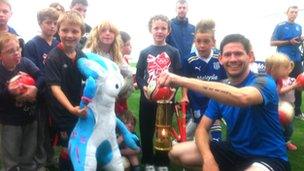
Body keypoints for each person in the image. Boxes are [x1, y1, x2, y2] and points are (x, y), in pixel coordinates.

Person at [158, 34, 290, 171]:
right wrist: (208, 159)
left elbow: (242, 97)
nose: (232, 59)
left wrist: (181, 80)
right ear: (220, 59)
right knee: (176, 152)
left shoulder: (264, 82)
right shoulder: (219, 91)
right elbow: (202, 129)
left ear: (250, 56)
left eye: (238, 54)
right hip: (234, 152)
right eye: (227, 55)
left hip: (268, 156)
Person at [135, 14, 181, 171]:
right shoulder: (144, 52)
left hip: (167, 100)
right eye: (156, 28)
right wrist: (144, 88)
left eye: (163, 28)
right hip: (147, 99)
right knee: (147, 130)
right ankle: (148, 159)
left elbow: (178, 76)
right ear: (150, 30)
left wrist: (173, 90)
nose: (159, 31)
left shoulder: (173, 52)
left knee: (164, 131)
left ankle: (162, 161)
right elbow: (139, 75)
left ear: (168, 31)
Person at [44, 10, 86, 171]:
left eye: (75, 31)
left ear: (81, 33)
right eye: (65, 30)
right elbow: (55, 88)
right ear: (58, 30)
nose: (69, 35)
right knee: (67, 148)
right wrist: (70, 108)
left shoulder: (81, 55)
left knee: (79, 144)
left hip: (79, 110)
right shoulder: (54, 57)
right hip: (63, 113)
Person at [23, 7, 60, 170]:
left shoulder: (58, 44)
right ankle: (40, 161)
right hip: (41, 94)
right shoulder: (32, 44)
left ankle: (51, 157)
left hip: (57, 93)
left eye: (55, 23)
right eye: (48, 22)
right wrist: (38, 88)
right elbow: (31, 71)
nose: (52, 26)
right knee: (41, 128)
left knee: (55, 128)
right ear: (40, 23)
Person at [0, 32, 43, 171]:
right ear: (1, 55)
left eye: (18, 49)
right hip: (9, 122)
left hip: (30, 118)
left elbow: (42, 76)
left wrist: (35, 88)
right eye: (10, 51)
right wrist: (9, 91)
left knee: (28, 152)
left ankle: (28, 167)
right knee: (10, 153)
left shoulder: (25, 63)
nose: (17, 53)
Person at [181, 19, 226, 141]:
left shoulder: (219, 58)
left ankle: (216, 146)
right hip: (197, 100)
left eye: (206, 41)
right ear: (194, 41)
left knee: (214, 122)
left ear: (213, 42)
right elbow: (185, 80)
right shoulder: (189, 60)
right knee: (199, 122)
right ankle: (186, 140)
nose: (202, 45)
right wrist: (184, 95)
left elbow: (224, 80)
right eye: (198, 41)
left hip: (214, 99)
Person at [271, 5, 303, 119]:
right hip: (284, 61)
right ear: (287, 13)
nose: (294, 14)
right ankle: (280, 109)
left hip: (297, 59)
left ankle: (297, 111)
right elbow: (272, 42)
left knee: (299, 84)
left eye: (296, 12)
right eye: (292, 12)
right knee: (282, 85)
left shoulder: (299, 27)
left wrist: (300, 41)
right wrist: (289, 41)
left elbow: (298, 43)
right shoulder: (280, 26)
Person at [265, 53, 300, 151]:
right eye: (285, 68)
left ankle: (285, 141)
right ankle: (277, 142)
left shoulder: (287, 79)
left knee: (288, 128)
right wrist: (293, 86)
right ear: (273, 69)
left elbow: (298, 88)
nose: (289, 69)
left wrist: (299, 85)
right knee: (280, 128)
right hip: (278, 108)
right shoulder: (271, 81)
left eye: (288, 67)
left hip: (288, 107)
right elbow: (278, 92)